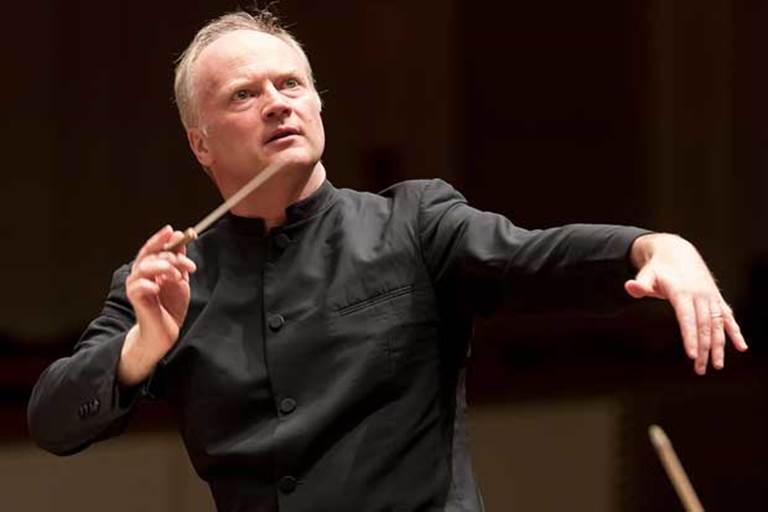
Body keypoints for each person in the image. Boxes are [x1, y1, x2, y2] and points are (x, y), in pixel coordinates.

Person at [27, 9, 748, 512]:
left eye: (292, 85)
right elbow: (54, 420)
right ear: (200, 143)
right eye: (245, 95)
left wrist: (653, 246)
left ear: (317, 105)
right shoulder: (165, 283)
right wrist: (141, 347)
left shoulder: (413, 222)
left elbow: (533, 257)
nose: (278, 103)